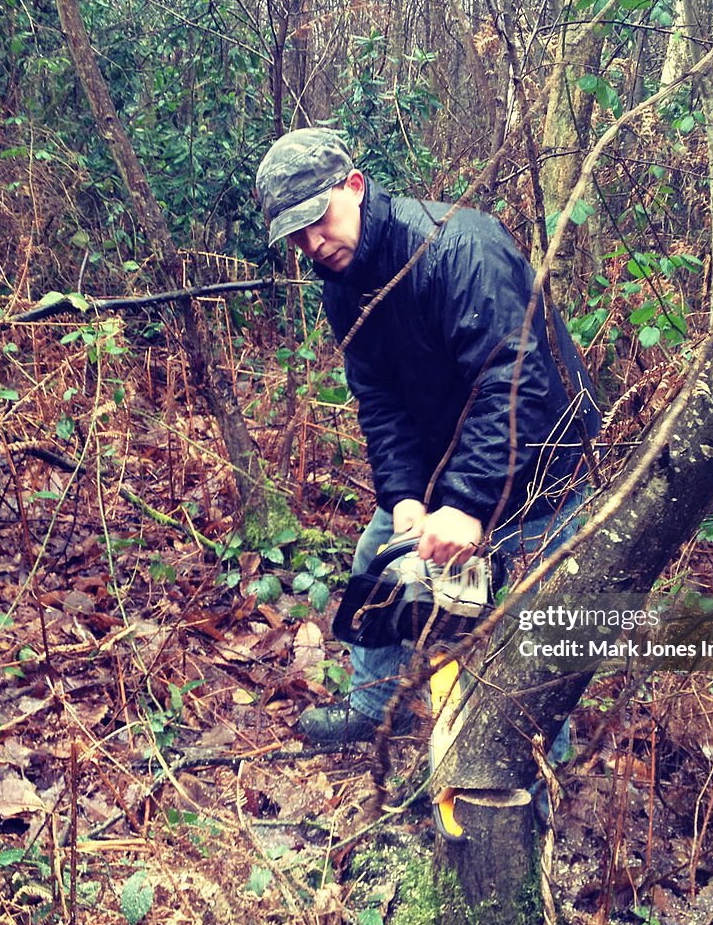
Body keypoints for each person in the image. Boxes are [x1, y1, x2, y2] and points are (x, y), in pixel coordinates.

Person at [255, 127, 601, 744]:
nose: (312, 242)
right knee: (377, 561)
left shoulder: (460, 248)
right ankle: (373, 707)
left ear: (354, 187)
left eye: (318, 219)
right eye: (295, 234)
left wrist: (466, 503)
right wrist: (407, 496)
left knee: (519, 627)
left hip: (541, 465)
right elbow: (380, 399)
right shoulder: (342, 287)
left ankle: (540, 763)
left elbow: (513, 380)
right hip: (448, 461)